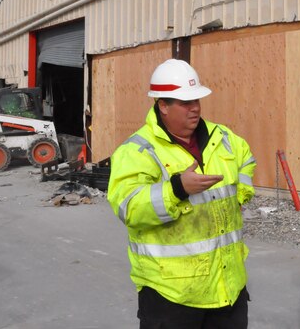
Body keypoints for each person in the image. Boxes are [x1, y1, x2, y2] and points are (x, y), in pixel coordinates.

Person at [107, 59, 256, 329]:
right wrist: (177, 190)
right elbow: (128, 207)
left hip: (227, 286)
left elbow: (246, 158)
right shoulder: (138, 150)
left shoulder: (222, 137)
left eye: (196, 100)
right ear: (163, 106)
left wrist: (241, 194)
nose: (195, 108)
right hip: (171, 295)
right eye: (185, 103)